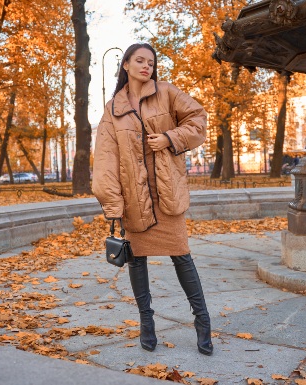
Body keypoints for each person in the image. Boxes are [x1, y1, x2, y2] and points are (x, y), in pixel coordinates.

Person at [92, 43, 213, 356]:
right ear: (126, 65)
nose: (146, 66)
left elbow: (198, 119)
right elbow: (105, 159)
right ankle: (147, 322)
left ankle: (202, 320)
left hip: (167, 192)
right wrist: (113, 201)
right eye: (140, 61)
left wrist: (170, 138)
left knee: (181, 255)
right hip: (134, 196)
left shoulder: (167, 92)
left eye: (151, 62)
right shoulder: (113, 108)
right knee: (138, 259)